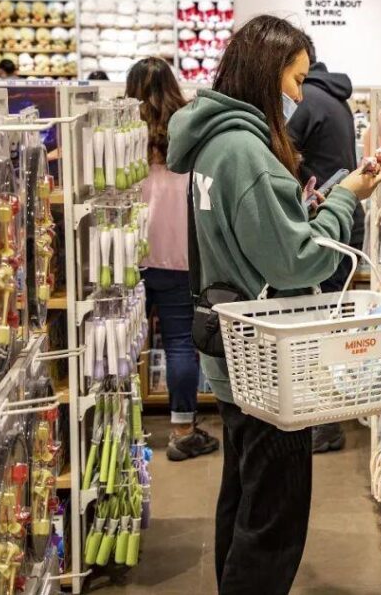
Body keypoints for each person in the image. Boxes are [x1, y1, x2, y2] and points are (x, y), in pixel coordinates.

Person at [166, 15, 381, 595]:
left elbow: (259, 240)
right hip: (269, 361)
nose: (299, 96)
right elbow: (297, 261)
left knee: (243, 497)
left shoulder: (215, 144)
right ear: (268, 75)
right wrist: (344, 200)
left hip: (234, 350)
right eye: (295, 80)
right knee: (274, 517)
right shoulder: (246, 152)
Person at [126, 57, 219, 461]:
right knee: (182, 342)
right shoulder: (188, 127)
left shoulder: (121, 131)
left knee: (123, 344)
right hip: (180, 254)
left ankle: (117, 427)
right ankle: (182, 430)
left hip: (127, 256)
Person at [287, 37, 361, 454]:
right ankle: (324, 417)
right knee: (328, 320)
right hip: (342, 217)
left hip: (331, 221)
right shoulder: (332, 96)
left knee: (320, 324)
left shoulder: (307, 100)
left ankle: (324, 421)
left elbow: (276, 152)